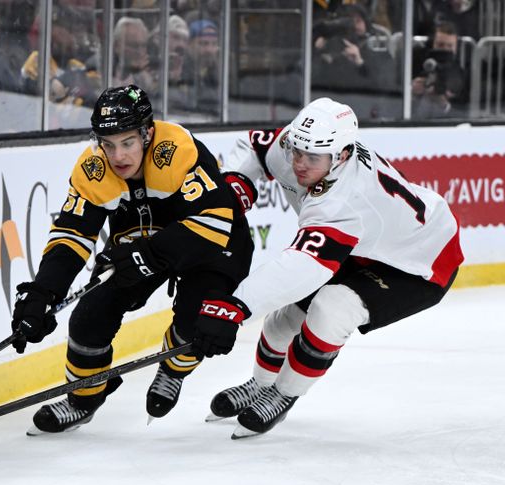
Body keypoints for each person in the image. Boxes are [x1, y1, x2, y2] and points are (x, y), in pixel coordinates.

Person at [191, 97, 464, 438]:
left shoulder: (345, 201)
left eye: (312, 158)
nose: (300, 164)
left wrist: (236, 306)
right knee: (282, 323)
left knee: (330, 309)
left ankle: (283, 393)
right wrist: (238, 181)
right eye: (296, 152)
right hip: (368, 245)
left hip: (420, 262)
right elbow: (254, 146)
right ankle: (260, 385)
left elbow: (304, 265)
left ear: (342, 156)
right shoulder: (304, 146)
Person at [11, 84, 256, 434]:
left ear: (147, 134)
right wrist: (42, 292)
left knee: (195, 323)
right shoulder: (94, 167)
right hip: (142, 243)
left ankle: (173, 369)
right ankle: (83, 399)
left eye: (127, 142)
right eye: (108, 145)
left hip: (214, 244)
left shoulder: (177, 150)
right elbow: (72, 233)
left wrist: (149, 254)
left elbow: (213, 222)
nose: (118, 156)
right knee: (89, 317)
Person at [411, 21, 469, 119]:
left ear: (456, 48)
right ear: (432, 43)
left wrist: (444, 104)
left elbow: (464, 114)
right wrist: (411, 91)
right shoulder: (416, 61)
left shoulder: (460, 73)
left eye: (450, 46)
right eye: (440, 45)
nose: (445, 50)